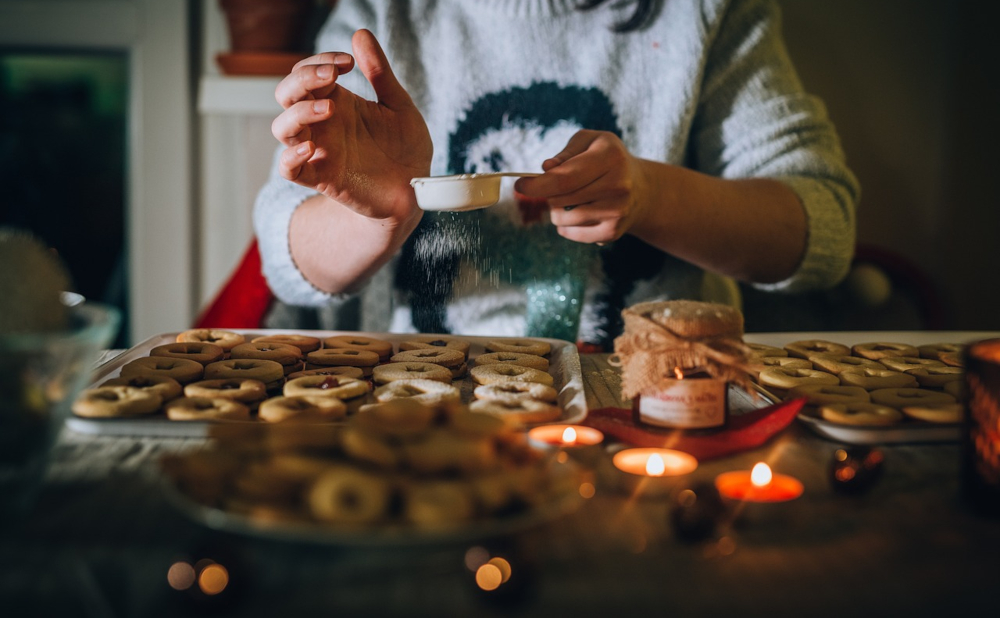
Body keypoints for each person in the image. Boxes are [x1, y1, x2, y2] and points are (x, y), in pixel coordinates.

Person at [253, 0, 859, 349]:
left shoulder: (702, 12)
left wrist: (651, 195)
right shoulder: (380, 13)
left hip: (664, 400)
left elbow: (820, 231)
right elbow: (289, 257)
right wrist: (380, 215)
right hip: (434, 404)